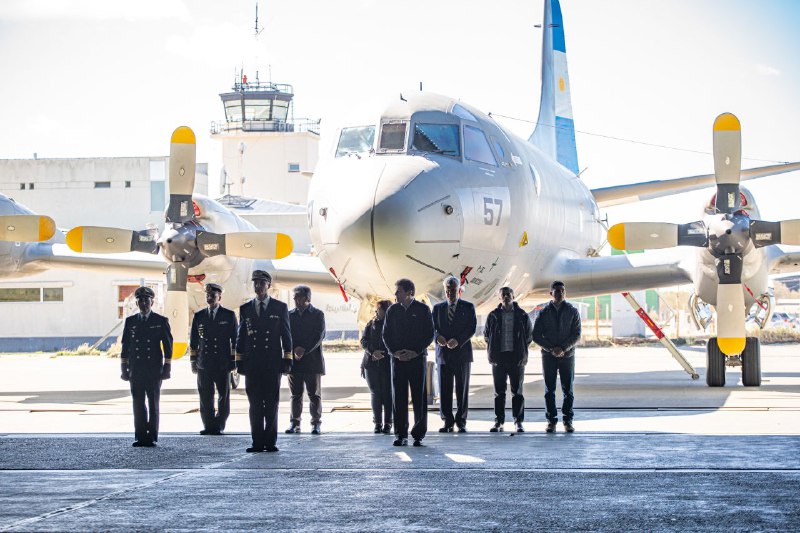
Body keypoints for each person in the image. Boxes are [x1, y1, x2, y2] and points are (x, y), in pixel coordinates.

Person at [236, 270, 292, 453]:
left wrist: (287, 360)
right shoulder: (245, 309)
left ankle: (270, 441)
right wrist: (240, 362)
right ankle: (257, 442)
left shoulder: (279, 308)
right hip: (253, 364)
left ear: (268, 285)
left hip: (272, 364)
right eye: (255, 283)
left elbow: (286, 335)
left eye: (261, 283)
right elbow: (241, 338)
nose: (258, 286)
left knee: (271, 404)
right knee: (255, 405)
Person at [382, 278, 434, 447]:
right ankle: (400, 434)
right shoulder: (392, 310)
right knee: (399, 398)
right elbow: (386, 335)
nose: (395, 294)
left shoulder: (422, 309)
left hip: (417, 359)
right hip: (397, 361)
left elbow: (429, 334)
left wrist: (415, 351)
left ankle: (418, 434)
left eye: (398, 291)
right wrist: (395, 353)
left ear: (409, 292)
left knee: (419, 398)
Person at [120, 286, 173, 447]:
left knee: (153, 403)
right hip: (136, 369)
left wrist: (167, 368)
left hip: (154, 369)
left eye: (146, 300)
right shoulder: (131, 322)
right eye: (140, 300)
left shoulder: (160, 321)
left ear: (152, 301)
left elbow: (168, 347)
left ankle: (152, 436)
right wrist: (124, 369)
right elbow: (125, 347)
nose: (143, 303)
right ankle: (140, 436)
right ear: (136, 302)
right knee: (138, 403)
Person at [532, 280, 582, 433]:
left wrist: (563, 348)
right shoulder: (543, 312)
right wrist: (551, 349)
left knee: (568, 390)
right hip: (549, 357)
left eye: (562, 290)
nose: (560, 293)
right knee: (549, 390)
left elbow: (577, 334)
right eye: (557, 291)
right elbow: (536, 335)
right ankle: (551, 421)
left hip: (567, 356)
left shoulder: (572, 311)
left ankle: (568, 421)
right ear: (551, 293)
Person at [189, 282, 237, 436]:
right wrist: (193, 361)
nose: (210, 298)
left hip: (222, 363)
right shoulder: (199, 316)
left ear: (219, 297)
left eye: (213, 295)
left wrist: (234, 361)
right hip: (204, 363)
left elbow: (235, 339)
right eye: (208, 295)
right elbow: (194, 341)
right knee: (205, 396)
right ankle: (208, 424)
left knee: (224, 396)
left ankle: (220, 424)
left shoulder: (228, 315)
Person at [483, 286, 533, 433]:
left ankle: (518, 422)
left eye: (508, 294)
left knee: (517, 392)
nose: (506, 297)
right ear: (500, 297)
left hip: (515, 358)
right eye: (503, 295)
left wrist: (520, 351)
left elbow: (528, 337)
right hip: (499, 358)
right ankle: (499, 421)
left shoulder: (522, 315)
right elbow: (487, 336)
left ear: (513, 296)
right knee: (499, 392)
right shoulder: (493, 315)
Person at [432, 276, 477, 433]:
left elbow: (471, 328)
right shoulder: (437, 308)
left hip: (462, 354)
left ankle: (461, 421)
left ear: (459, 290)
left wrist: (458, 340)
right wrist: (437, 337)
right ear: (445, 291)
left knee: (462, 390)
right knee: (444, 390)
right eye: (447, 290)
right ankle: (447, 422)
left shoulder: (468, 307)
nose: (450, 293)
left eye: (453, 290)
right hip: (443, 355)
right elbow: (432, 328)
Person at [286, 285, 327, 435]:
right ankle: (294, 422)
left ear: (307, 298)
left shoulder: (317, 314)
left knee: (314, 395)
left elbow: (319, 335)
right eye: (294, 297)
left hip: (312, 361)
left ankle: (316, 423)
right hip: (295, 362)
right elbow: (285, 335)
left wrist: (304, 349)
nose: (295, 300)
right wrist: (293, 350)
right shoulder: (289, 315)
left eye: (299, 297)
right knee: (295, 395)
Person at [360, 300, 393, 434]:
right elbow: (363, 341)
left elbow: (393, 342)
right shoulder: (371, 324)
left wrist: (382, 353)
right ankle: (377, 423)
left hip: (386, 363)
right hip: (371, 363)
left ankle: (388, 423)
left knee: (387, 394)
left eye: (378, 309)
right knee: (375, 393)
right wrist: (372, 352)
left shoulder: (392, 325)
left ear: (385, 311)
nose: (375, 312)